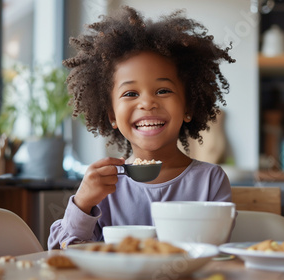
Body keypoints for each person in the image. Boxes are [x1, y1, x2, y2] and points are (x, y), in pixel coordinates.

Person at [48, 6, 235, 250]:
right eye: (130, 93)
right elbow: (61, 251)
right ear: (112, 115)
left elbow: (213, 252)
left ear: (188, 106)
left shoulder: (210, 180)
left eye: (163, 90)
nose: (147, 103)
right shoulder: (105, 186)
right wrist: (83, 203)